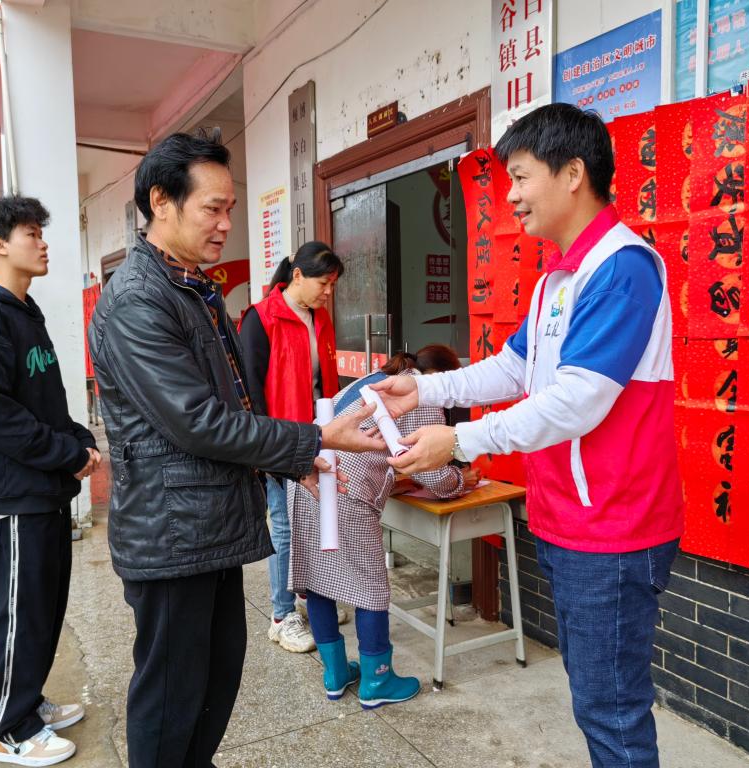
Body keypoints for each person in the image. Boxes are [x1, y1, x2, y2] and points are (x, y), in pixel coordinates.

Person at [373, 104, 683, 767]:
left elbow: (577, 402)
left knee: (612, 711)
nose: (509, 196)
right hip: (569, 518)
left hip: (614, 526)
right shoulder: (557, 279)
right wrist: (423, 390)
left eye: (519, 177)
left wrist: (460, 442)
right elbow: (512, 368)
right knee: (596, 700)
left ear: (572, 173)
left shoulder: (622, 267)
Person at [88, 130, 384, 768]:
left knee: (214, 679)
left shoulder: (191, 286)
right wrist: (313, 438)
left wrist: (292, 460)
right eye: (213, 208)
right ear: (161, 201)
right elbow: (197, 421)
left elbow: (236, 403)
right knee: (172, 698)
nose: (226, 223)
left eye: (230, 208)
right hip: (172, 533)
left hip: (207, 523)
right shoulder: (139, 299)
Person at [0, 196, 102, 766]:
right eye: (31, 234)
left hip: (42, 488)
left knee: (41, 608)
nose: (43, 244)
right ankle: (7, 726)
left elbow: (43, 402)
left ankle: (27, 701)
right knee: (18, 612)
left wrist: (78, 439)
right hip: (14, 492)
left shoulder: (24, 312)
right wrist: (65, 454)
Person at [291, 345, 479, 708]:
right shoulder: (421, 395)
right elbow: (432, 472)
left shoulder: (377, 379)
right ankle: (377, 680)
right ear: (440, 375)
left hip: (305, 476)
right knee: (372, 587)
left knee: (317, 581)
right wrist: (461, 479)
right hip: (345, 487)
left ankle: (335, 675)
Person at [239, 242, 347, 654]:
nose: (329, 292)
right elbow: (251, 389)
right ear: (297, 275)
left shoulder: (320, 318)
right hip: (280, 440)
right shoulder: (260, 318)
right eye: (324, 283)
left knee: (316, 520)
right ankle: (282, 615)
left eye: (333, 284)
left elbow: (326, 382)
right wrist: (265, 449)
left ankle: (306, 596)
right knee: (284, 525)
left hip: (320, 435)